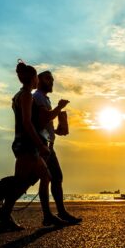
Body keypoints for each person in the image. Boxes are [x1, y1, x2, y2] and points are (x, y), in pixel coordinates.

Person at [0, 61, 58, 230]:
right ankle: (5, 215)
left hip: (23, 144)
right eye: (36, 77)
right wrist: (40, 145)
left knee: (38, 179)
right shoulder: (26, 95)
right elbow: (26, 122)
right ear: (33, 79)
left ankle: (45, 216)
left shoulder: (18, 95)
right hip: (26, 145)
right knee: (25, 182)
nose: (38, 81)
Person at [33, 71, 81, 224]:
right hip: (42, 146)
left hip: (48, 145)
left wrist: (58, 130)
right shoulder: (38, 96)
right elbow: (43, 118)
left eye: (52, 79)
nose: (52, 82)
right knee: (35, 180)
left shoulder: (43, 98)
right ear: (39, 80)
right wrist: (59, 107)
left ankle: (59, 212)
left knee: (55, 177)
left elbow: (44, 124)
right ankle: (49, 215)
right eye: (48, 79)